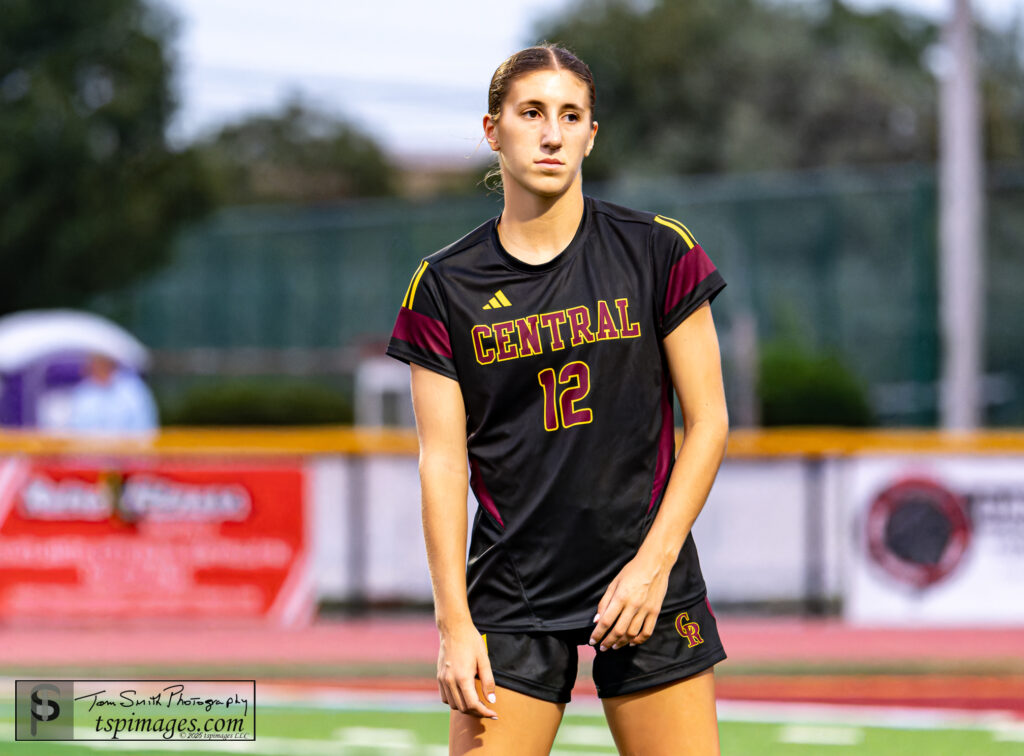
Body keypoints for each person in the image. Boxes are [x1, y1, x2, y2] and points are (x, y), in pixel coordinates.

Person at [387, 44, 729, 755]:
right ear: (493, 130)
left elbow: (709, 424)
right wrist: (455, 625)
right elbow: (442, 466)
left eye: (571, 116)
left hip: (645, 576)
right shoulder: (443, 287)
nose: (551, 134)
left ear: (591, 134)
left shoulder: (658, 250)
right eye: (532, 113)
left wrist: (652, 566)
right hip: (514, 590)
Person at [65, 353, 159, 434]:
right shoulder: (83, 391)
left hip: (128, 452)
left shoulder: (132, 389)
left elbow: (145, 425)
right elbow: (75, 427)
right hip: (89, 452)